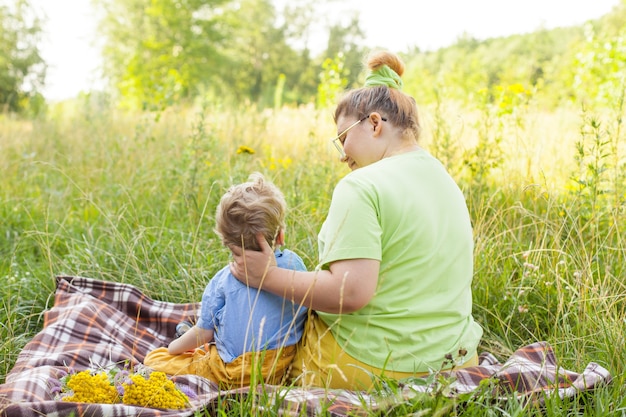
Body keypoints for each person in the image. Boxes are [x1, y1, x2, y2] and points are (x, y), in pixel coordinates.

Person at [229, 51, 483, 390]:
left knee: (265, 329)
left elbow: (349, 294)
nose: (342, 155)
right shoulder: (444, 178)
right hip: (455, 360)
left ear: (375, 123)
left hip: (373, 367)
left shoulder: (361, 185)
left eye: (343, 137)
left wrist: (268, 276)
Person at [144, 173, 308, 388]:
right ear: (280, 236)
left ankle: (184, 337)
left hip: (233, 373)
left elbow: (204, 333)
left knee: (155, 359)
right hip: (282, 368)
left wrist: (173, 348)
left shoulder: (223, 280)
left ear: (225, 241)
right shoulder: (295, 266)